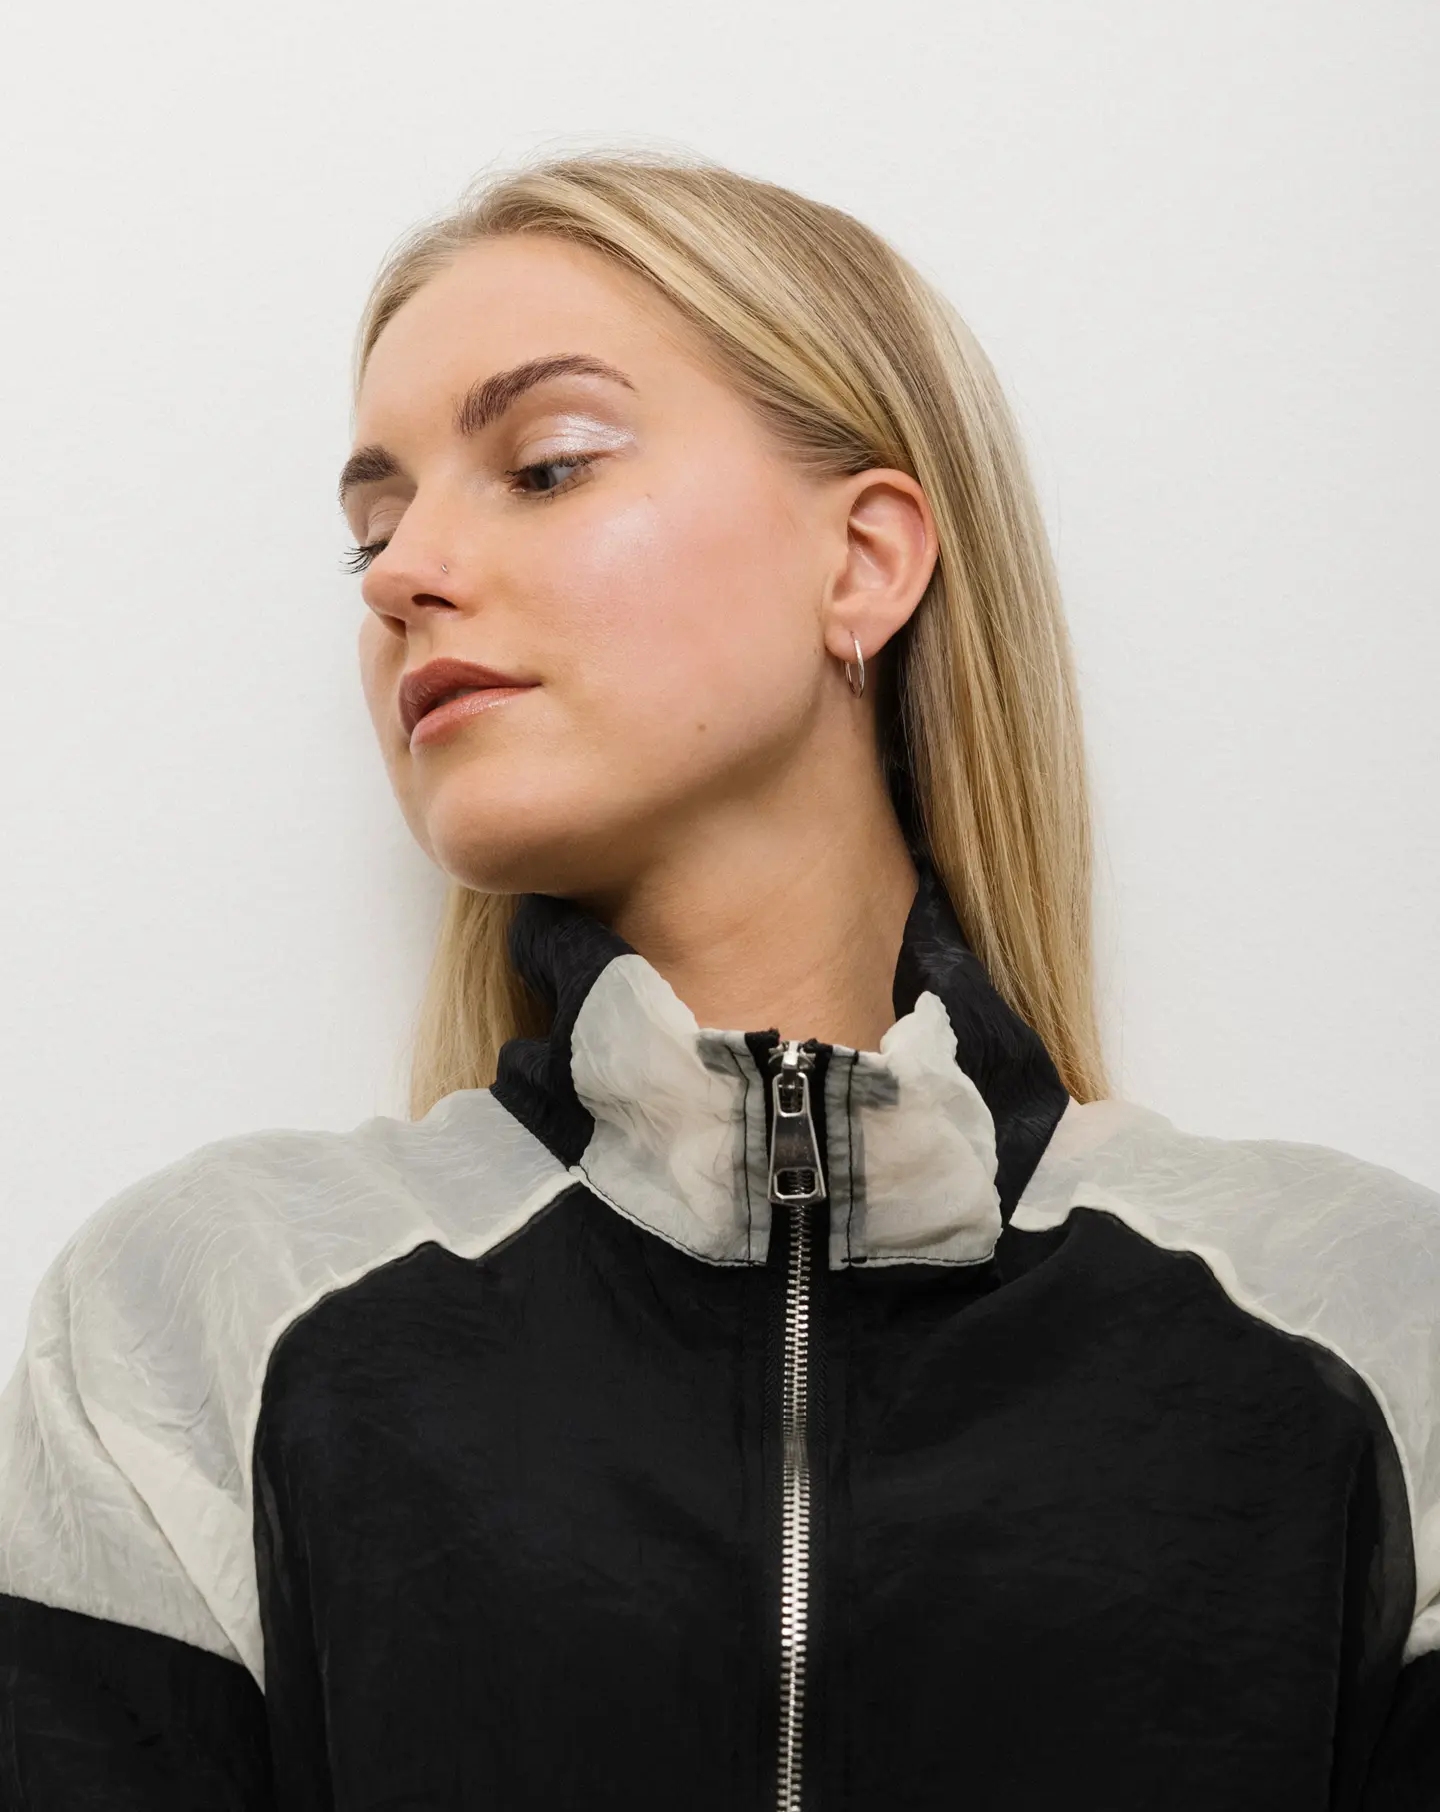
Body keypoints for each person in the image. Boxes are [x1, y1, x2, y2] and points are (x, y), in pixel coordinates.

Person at [0, 151, 1435, 1812]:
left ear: (865, 561)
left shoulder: (1370, 1329)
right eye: (372, 533)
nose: (399, 574)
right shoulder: (197, 1319)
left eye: (544, 466)